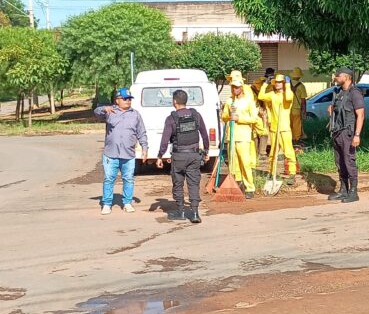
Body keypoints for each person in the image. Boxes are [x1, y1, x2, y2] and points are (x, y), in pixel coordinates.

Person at [156, 89, 210, 223]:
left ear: (174, 102)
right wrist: (206, 151)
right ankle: (195, 213)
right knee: (193, 184)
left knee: (178, 184)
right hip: (194, 155)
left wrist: (160, 156)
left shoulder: (171, 118)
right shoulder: (196, 115)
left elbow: (164, 140)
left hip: (179, 156)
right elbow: (204, 134)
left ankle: (180, 212)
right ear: (186, 101)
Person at [94, 88, 148, 215]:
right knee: (109, 179)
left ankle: (127, 203)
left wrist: (145, 148)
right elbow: (96, 112)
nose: (128, 101)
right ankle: (107, 204)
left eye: (129, 99)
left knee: (128, 179)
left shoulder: (135, 114)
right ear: (117, 100)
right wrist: (104, 109)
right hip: (111, 154)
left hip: (128, 154)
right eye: (125, 99)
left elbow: (142, 132)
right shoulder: (110, 111)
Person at [327, 67, 365, 203]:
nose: (335, 78)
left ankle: (353, 192)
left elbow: (360, 115)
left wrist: (357, 135)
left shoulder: (355, 93)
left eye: (338, 76)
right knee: (340, 162)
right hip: (337, 132)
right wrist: (332, 111)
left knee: (349, 161)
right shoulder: (339, 93)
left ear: (346, 77)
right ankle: (343, 190)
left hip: (348, 133)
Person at [222, 76, 259, 199]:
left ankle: (250, 188)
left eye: (237, 87)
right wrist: (229, 114)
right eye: (233, 87)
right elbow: (224, 117)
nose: (234, 89)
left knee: (245, 163)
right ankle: (236, 185)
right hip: (231, 136)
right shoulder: (229, 101)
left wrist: (240, 118)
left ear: (242, 88)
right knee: (233, 164)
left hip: (243, 136)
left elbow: (254, 119)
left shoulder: (249, 101)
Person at [258, 73, 297, 185]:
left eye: (280, 82)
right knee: (273, 153)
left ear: (284, 83)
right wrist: (265, 84)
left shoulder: (288, 93)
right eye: (276, 82)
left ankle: (292, 174)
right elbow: (261, 96)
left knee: (288, 151)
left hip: (284, 128)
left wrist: (288, 84)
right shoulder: (272, 94)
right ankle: (271, 172)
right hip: (274, 128)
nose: (277, 84)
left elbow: (288, 98)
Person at [250, 76, 270, 163]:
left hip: (254, 115)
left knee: (255, 134)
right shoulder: (252, 93)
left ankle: (256, 152)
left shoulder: (251, 91)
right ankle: (262, 152)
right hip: (256, 115)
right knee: (263, 132)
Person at [289, 67, 308, 145]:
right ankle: (296, 140)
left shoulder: (287, 84)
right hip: (296, 109)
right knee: (297, 125)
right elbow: (303, 100)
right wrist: (304, 110)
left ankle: (289, 139)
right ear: (299, 76)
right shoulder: (301, 86)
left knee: (289, 124)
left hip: (287, 109)